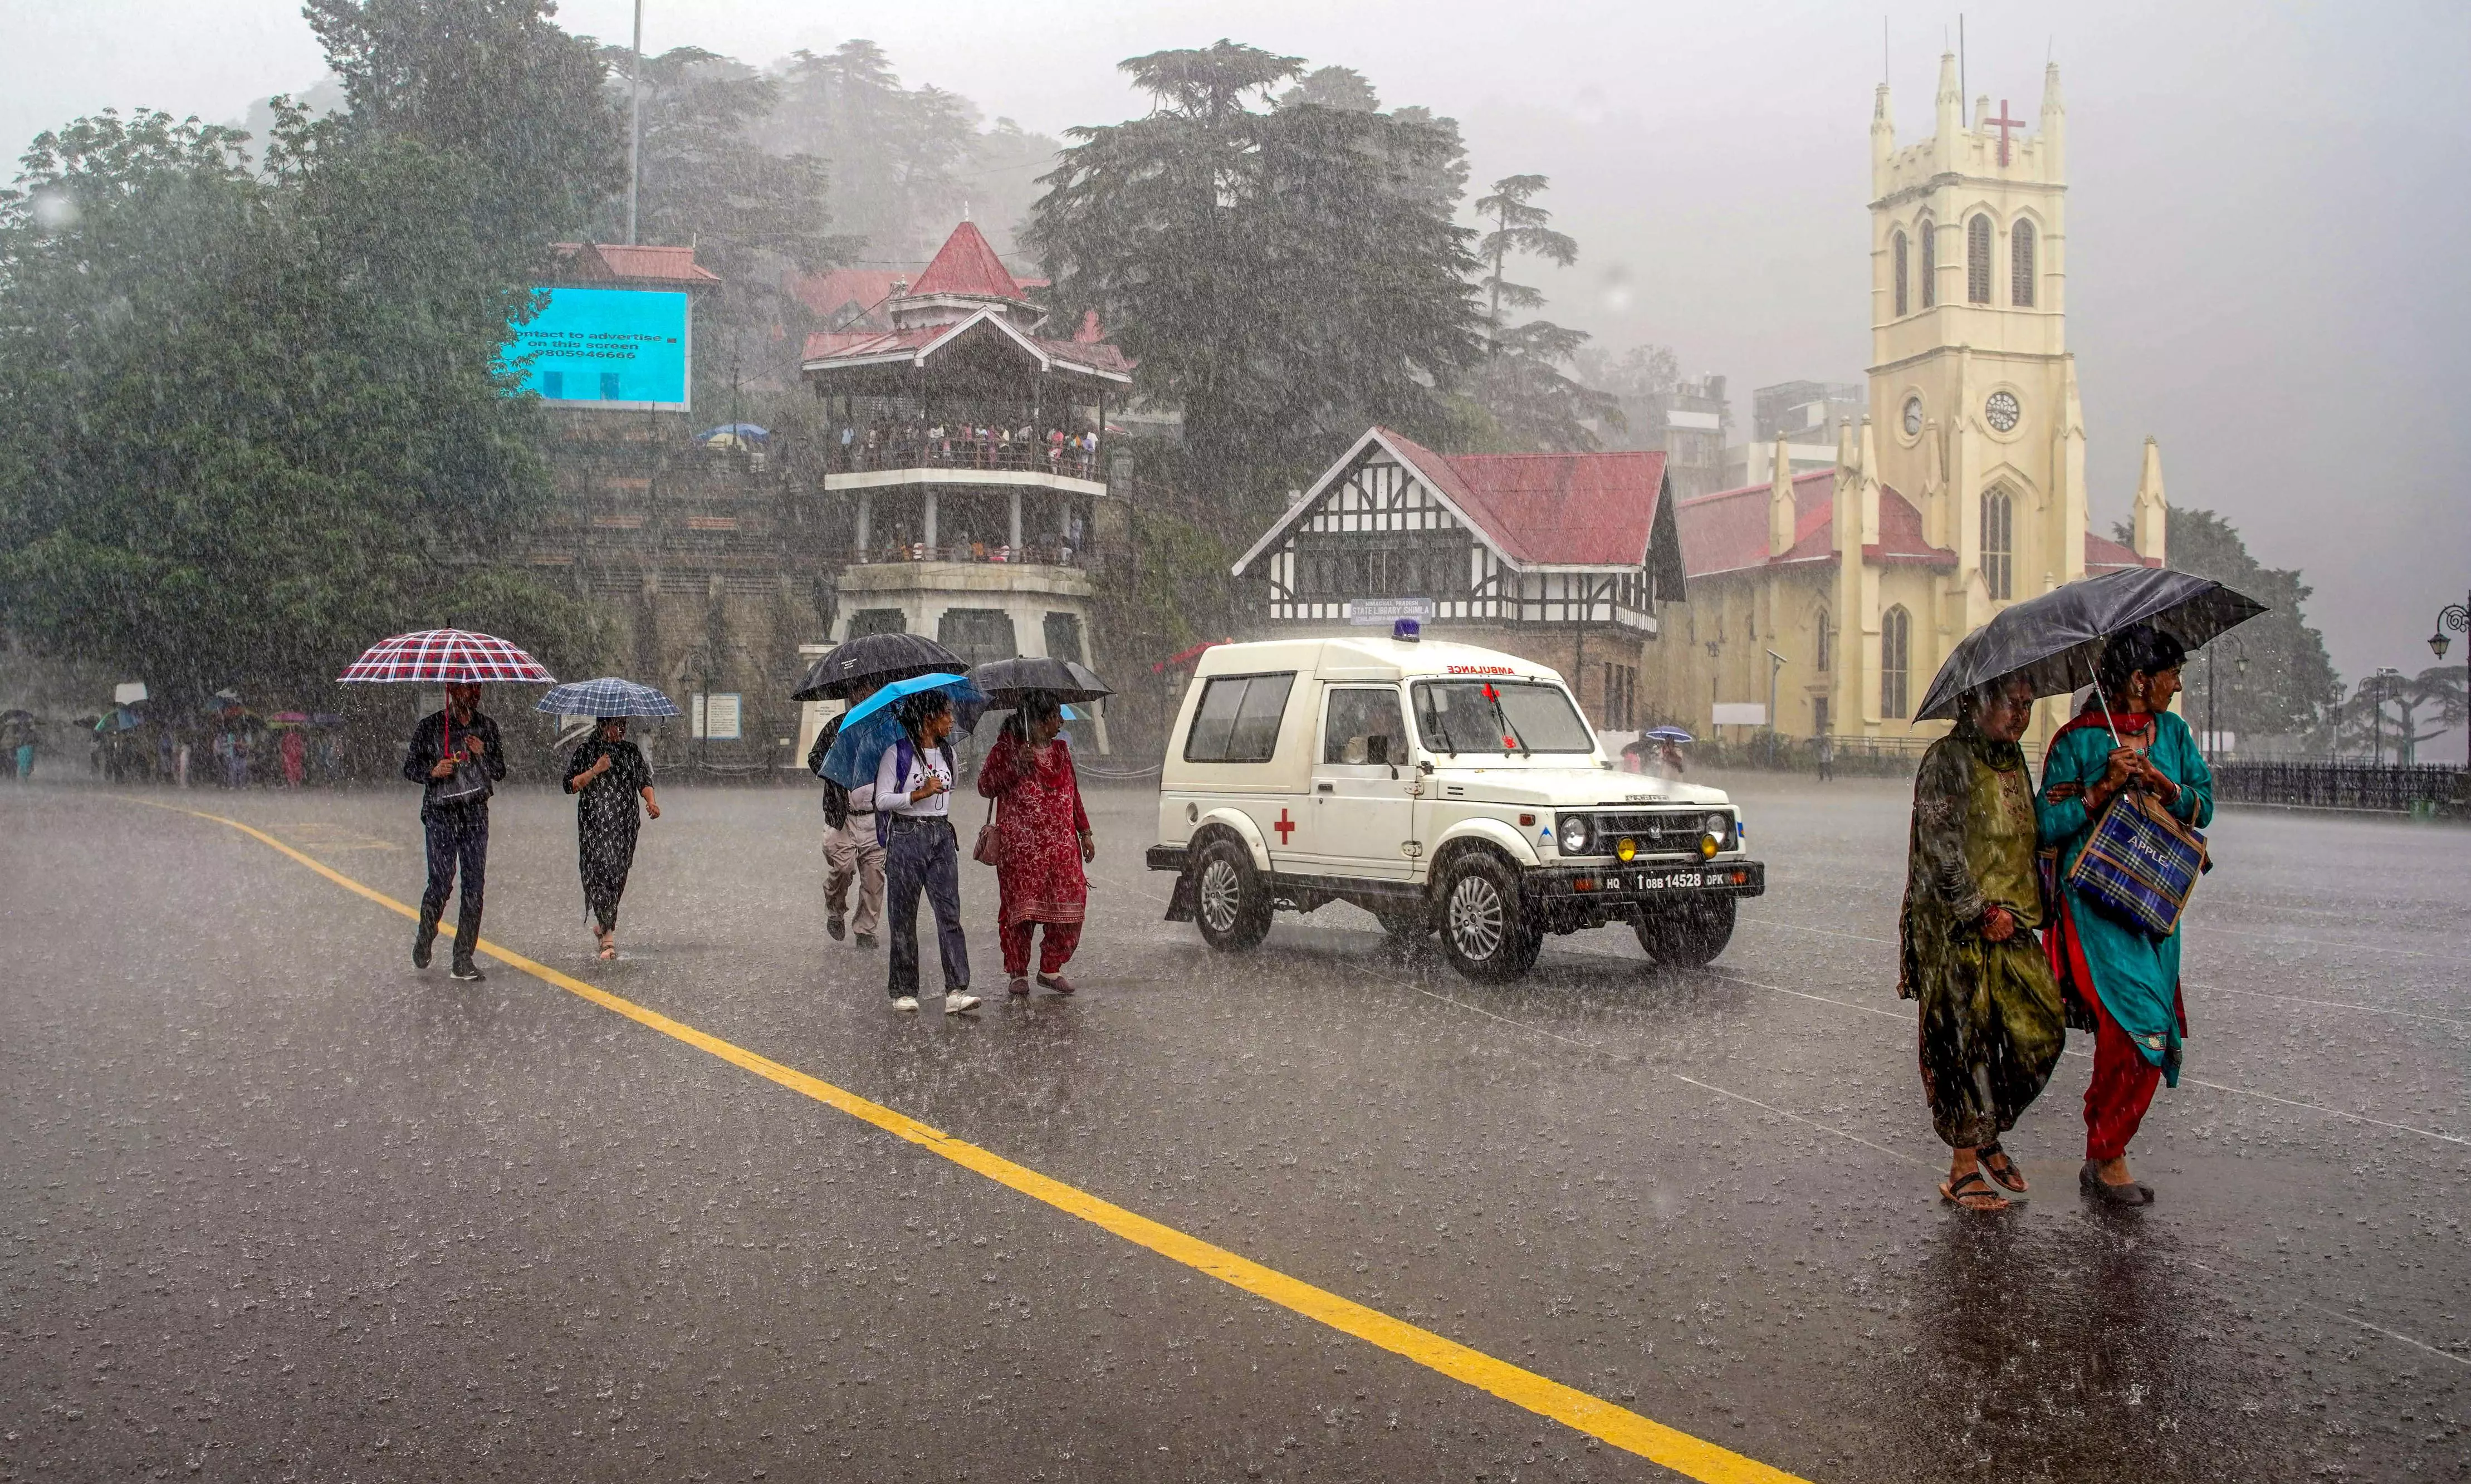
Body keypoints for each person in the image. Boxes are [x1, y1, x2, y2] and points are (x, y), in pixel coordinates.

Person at [2036, 624, 2214, 1207]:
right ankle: (2108, 1150)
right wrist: (2104, 786)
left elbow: (2204, 803)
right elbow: (2045, 825)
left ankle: (2104, 1147)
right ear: (2140, 681)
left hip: (2154, 908)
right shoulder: (2078, 742)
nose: (2177, 684)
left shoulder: (2176, 735)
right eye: (2170, 675)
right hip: (2094, 907)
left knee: (2149, 1030)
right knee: (2135, 1026)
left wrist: (2167, 787)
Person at [1898, 672, 2066, 1212]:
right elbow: (1940, 849)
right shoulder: (1948, 760)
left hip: (2012, 922)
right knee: (1964, 1043)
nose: (2021, 716)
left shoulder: (2011, 757)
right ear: (1976, 703)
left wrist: (2065, 803)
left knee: (2040, 1032)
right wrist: (1977, 910)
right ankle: (1964, 1167)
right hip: (1956, 928)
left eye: (2028, 705)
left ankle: (1987, 1127)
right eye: (2012, 704)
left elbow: (2019, 831)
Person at [976, 692, 1095, 996]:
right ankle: (1018, 973)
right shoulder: (1007, 749)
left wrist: (1085, 832)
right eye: (1056, 716)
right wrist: (1016, 765)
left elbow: (1074, 793)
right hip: (1021, 851)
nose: (1061, 721)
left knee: (1071, 904)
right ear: (1039, 720)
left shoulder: (1061, 750)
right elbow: (985, 786)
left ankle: (1050, 969)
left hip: (1062, 848)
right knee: (1021, 912)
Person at [876, 690, 978, 1015]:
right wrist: (917, 794)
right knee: (903, 916)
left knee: (949, 914)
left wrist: (933, 800)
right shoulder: (897, 754)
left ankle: (956, 990)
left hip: (942, 836)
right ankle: (904, 991)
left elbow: (951, 789)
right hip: (907, 836)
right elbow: (881, 800)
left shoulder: (948, 753)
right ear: (928, 718)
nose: (952, 720)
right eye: (946, 714)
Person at [402, 681, 506, 982]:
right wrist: (433, 771)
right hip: (441, 815)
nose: (474, 694)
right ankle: (426, 932)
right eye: (467, 688)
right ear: (451, 690)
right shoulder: (430, 727)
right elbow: (410, 768)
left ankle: (463, 958)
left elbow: (500, 771)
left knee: (474, 886)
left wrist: (483, 752)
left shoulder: (487, 727)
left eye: (478, 688)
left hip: (475, 814)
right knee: (441, 883)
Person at [564, 717, 660, 960]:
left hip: (624, 825)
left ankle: (605, 920)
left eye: (623, 725)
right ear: (603, 725)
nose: (620, 730)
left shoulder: (630, 751)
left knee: (618, 874)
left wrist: (651, 802)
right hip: (594, 825)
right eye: (615, 725)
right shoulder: (587, 751)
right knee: (599, 875)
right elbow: (570, 785)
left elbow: (643, 781)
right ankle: (608, 939)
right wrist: (595, 770)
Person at [808, 682, 887, 950]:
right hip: (843, 817)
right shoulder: (836, 726)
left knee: (874, 877)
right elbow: (815, 758)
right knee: (843, 868)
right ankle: (835, 908)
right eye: (860, 693)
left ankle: (866, 930)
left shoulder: (885, 725)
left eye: (869, 692)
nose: (864, 697)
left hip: (875, 816)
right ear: (852, 696)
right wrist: (836, 767)